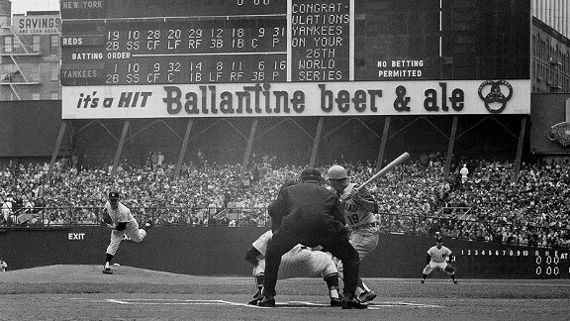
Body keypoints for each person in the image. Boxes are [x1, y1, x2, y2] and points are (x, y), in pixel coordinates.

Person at [258, 168, 366, 309]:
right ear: (320, 181)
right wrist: (334, 238)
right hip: (324, 229)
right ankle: (349, 297)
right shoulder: (330, 194)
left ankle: (268, 296)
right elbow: (341, 220)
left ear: (301, 180)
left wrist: (277, 230)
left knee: (273, 252)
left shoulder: (288, 191)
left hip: (294, 227)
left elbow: (272, 209)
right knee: (350, 257)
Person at [245, 230, 343, 307]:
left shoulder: (270, 233)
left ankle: (264, 293)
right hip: (305, 261)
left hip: (278, 266)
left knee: (259, 265)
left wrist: (261, 263)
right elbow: (323, 246)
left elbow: (250, 255)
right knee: (328, 260)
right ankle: (335, 296)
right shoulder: (305, 230)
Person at [326, 165, 378, 303]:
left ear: (336, 181)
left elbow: (374, 208)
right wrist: (341, 202)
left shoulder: (357, 189)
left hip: (367, 231)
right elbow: (336, 214)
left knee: (344, 265)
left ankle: (364, 292)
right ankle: (361, 291)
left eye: (331, 181)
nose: (330, 184)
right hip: (356, 232)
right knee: (338, 262)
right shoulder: (338, 194)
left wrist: (358, 199)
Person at [101, 191, 153, 274]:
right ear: (108, 200)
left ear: (118, 200)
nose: (113, 202)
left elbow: (122, 227)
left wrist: (112, 226)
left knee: (138, 239)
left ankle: (147, 226)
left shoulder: (124, 211)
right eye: (112, 200)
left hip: (130, 226)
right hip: (117, 224)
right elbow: (105, 215)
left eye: (115, 200)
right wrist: (108, 222)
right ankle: (106, 265)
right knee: (114, 244)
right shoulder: (107, 205)